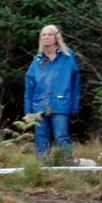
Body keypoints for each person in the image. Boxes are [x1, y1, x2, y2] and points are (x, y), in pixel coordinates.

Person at [23, 25, 80, 160]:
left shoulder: (68, 58)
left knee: (61, 136)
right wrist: (28, 111)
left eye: (49, 34)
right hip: (39, 105)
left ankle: (67, 166)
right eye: (43, 35)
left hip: (61, 103)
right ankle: (42, 169)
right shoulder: (37, 61)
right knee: (41, 138)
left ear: (56, 37)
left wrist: (74, 106)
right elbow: (29, 86)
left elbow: (75, 83)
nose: (46, 37)